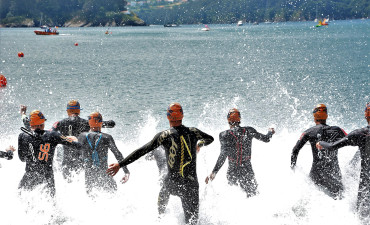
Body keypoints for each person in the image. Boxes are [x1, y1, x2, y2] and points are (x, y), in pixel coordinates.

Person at [107, 103, 214, 225]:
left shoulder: (164, 135)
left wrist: (120, 164)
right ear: (182, 115)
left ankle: (160, 218)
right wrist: (198, 145)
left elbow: (142, 151)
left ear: (168, 116)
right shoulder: (194, 131)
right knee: (192, 221)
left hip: (173, 183)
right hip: (191, 185)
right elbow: (210, 139)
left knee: (164, 190)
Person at [20, 101, 115, 180]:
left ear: (67, 111)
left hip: (67, 159)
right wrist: (103, 122)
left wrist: (24, 114)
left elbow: (43, 133)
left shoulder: (59, 123)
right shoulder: (87, 123)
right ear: (79, 111)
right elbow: (111, 124)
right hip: (82, 158)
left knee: (67, 181)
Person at [317, 102, 370, 219]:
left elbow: (331, 146)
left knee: (362, 217)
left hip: (366, 183)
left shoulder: (360, 134)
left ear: (366, 115)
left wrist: (321, 143)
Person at [205, 108, 275, 197]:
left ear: (228, 120)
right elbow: (266, 139)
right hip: (247, 169)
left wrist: (214, 172)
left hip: (232, 171)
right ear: (239, 119)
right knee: (253, 196)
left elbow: (223, 155)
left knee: (234, 196)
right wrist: (270, 132)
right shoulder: (249, 131)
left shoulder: (224, 135)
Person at [18, 110, 81, 197]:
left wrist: (23, 113)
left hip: (29, 175)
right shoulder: (53, 135)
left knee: (22, 199)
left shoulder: (23, 136)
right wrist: (74, 139)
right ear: (42, 123)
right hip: (47, 177)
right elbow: (78, 146)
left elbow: (22, 158)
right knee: (51, 204)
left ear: (31, 124)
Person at [291, 104, 347, 199]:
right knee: (340, 198)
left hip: (316, 173)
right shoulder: (338, 130)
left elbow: (295, 150)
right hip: (334, 172)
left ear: (314, 117)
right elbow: (354, 140)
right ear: (326, 116)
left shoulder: (309, 132)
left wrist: (293, 168)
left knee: (314, 199)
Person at [78, 112, 130, 195]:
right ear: (101, 122)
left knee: (91, 200)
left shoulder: (82, 136)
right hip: (105, 174)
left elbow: (77, 154)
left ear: (89, 122)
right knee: (113, 197)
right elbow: (117, 154)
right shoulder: (107, 137)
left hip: (89, 177)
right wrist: (126, 172)